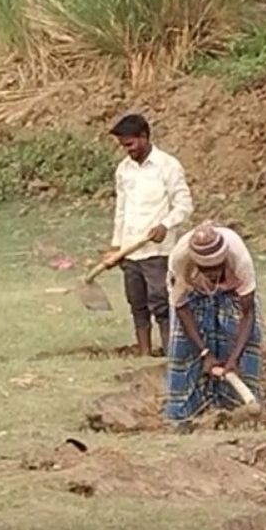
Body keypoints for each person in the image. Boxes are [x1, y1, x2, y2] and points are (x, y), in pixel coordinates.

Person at [105, 114, 193, 356]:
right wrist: (116, 246)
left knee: (162, 303)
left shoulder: (168, 166)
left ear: (144, 137)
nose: (127, 150)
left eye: (130, 144)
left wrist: (165, 225)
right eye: (123, 146)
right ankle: (144, 352)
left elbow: (184, 204)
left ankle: (170, 350)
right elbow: (121, 210)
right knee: (137, 303)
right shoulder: (124, 170)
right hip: (130, 250)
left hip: (157, 252)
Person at [166, 223, 262, 422]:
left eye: (216, 268)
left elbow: (247, 312)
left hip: (232, 295)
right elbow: (181, 308)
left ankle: (237, 413)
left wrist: (235, 357)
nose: (212, 274)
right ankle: (185, 417)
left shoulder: (239, 256)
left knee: (240, 349)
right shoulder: (180, 259)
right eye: (206, 269)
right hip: (193, 294)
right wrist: (204, 352)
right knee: (185, 353)